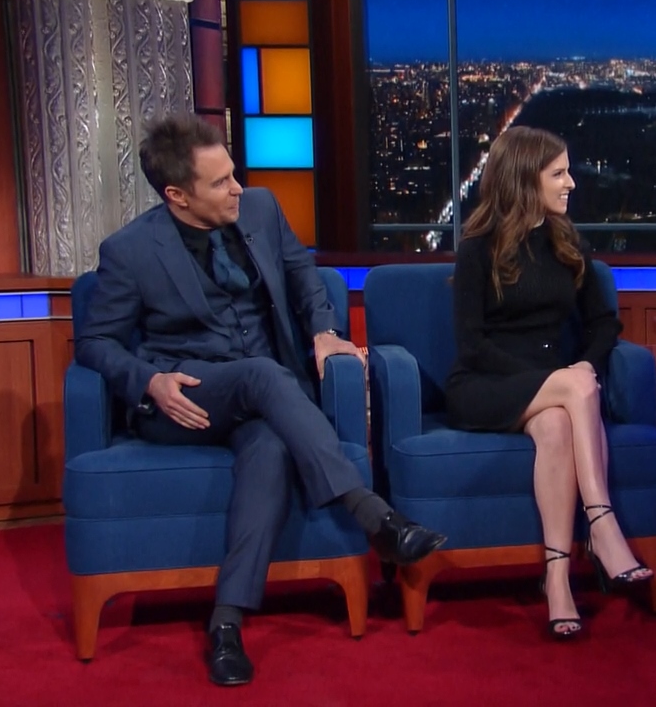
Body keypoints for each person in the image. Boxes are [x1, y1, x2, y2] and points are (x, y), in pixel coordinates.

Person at [75, 115, 447, 686]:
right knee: (262, 375)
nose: (237, 188)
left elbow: (304, 276)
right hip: (187, 399)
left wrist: (324, 331)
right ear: (177, 195)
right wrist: (149, 382)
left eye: (233, 174)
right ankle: (377, 519)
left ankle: (226, 625)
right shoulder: (130, 251)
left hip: (264, 400)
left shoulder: (261, 210)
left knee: (271, 445)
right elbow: (95, 342)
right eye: (220, 182)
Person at [446, 126, 653, 640]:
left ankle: (557, 581)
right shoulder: (477, 247)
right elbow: (472, 346)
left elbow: (604, 325)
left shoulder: (566, 241)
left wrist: (583, 365)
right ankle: (602, 525)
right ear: (524, 179)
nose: (571, 183)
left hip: (553, 390)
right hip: (486, 383)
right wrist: (557, 380)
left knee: (560, 421)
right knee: (575, 390)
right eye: (558, 173)